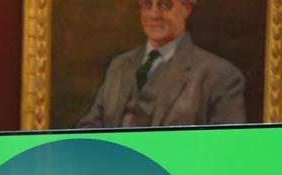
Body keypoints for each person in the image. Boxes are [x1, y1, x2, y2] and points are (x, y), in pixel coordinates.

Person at [77, 0, 246, 128]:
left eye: (165, 5)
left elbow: (226, 150)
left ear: (187, 8)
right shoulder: (119, 66)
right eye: (146, 4)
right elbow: (90, 131)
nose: (154, 15)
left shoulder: (221, 76)